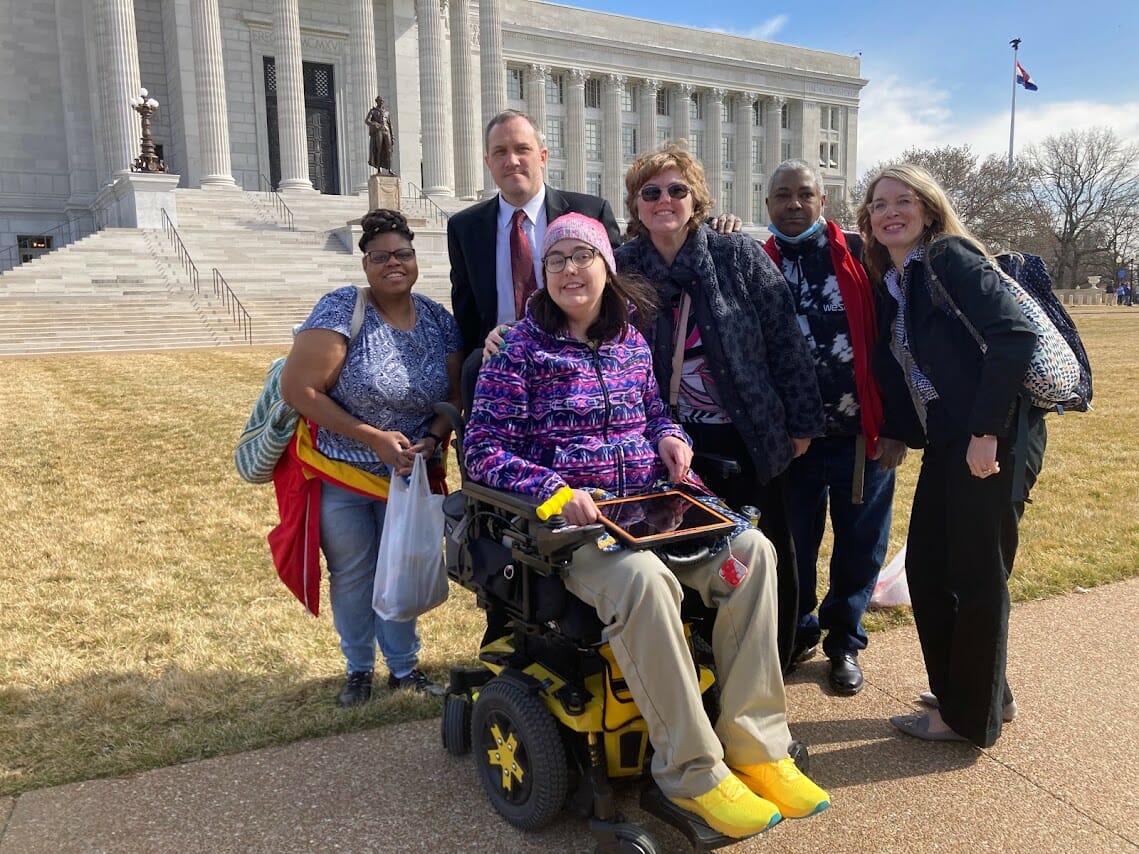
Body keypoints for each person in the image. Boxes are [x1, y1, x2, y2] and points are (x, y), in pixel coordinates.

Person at [463, 212, 830, 839]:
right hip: (572, 532)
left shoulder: (630, 343)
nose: (571, 270)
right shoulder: (519, 350)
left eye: (584, 256)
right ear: (543, 275)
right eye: (558, 260)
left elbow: (655, 414)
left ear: (608, 268)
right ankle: (691, 773)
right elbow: (482, 452)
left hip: (653, 507)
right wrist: (555, 490)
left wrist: (670, 440)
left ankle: (758, 746)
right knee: (644, 583)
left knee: (753, 554)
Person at [615, 144, 825, 672]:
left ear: (697, 199)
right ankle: (703, 660)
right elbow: (565, 309)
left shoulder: (736, 256)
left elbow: (784, 342)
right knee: (683, 550)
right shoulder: (621, 268)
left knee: (762, 548)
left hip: (746, 432)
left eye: (677, 190)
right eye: (651, 192)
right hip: (663, 440)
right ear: (637, 205)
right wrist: (508, 332)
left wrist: (800, 421)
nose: (665, 200)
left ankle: (773, 657)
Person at [857, 164, 1044, 746]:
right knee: (933, 570)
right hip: (949, 439)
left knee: (972, 575)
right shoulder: (897, 280)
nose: (890, 211)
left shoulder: (949, 258)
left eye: (903, 200)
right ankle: (984, 694)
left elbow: (1014, 335)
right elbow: (915, 370)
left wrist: (985, 432)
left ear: (929, 208)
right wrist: (894, 431)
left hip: (992, 439)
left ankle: (964, 720)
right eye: (879, 203)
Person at [280, 209, 462, 707]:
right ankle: (358, 667)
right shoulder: (343, 308)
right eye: (380, 256)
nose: (393, 264)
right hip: (342, 469)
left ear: (415, 260)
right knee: (355, 572)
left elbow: (455, 392)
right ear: (365, 265)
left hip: (406, 475)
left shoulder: (439, 321)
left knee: (401, 567)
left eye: (403, 254)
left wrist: (434, 435)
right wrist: (371, 436)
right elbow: (298, 388)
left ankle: (404, 668)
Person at [762, 160, 905, 695]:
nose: (794, 204)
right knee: (791, 545)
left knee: (860, 543)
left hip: (859, 434)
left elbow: (896, 344)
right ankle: (796, 634)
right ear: (767, 203)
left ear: (823, 201)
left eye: (805, 194)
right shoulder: (757, 261)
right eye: (782, 196)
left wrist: (894, 427)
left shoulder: (861, 255)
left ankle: (843, 640)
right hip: (793, 442)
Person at [448, 109, 621, 364]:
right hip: (499, 363)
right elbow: (466, 312)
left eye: (522, 149)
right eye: (500, 152)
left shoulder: (590, 212)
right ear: (488, 162)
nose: (512, 160)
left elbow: (616, 290)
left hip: (579, 363)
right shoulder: (464, 228)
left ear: (542, 156)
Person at [366, 96, 395, 174]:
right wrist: (374, 124)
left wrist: (392, 137)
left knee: (389, 150)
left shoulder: (387, 112)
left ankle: (389, 169)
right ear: (377, 101)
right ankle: (378, 169)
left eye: (382, 101)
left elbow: (390, 125)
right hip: (379, 131)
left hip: (387, 131)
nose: (381, 102)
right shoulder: (373, 111)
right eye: (380, 100)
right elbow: (367, 121)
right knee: (379, 149)